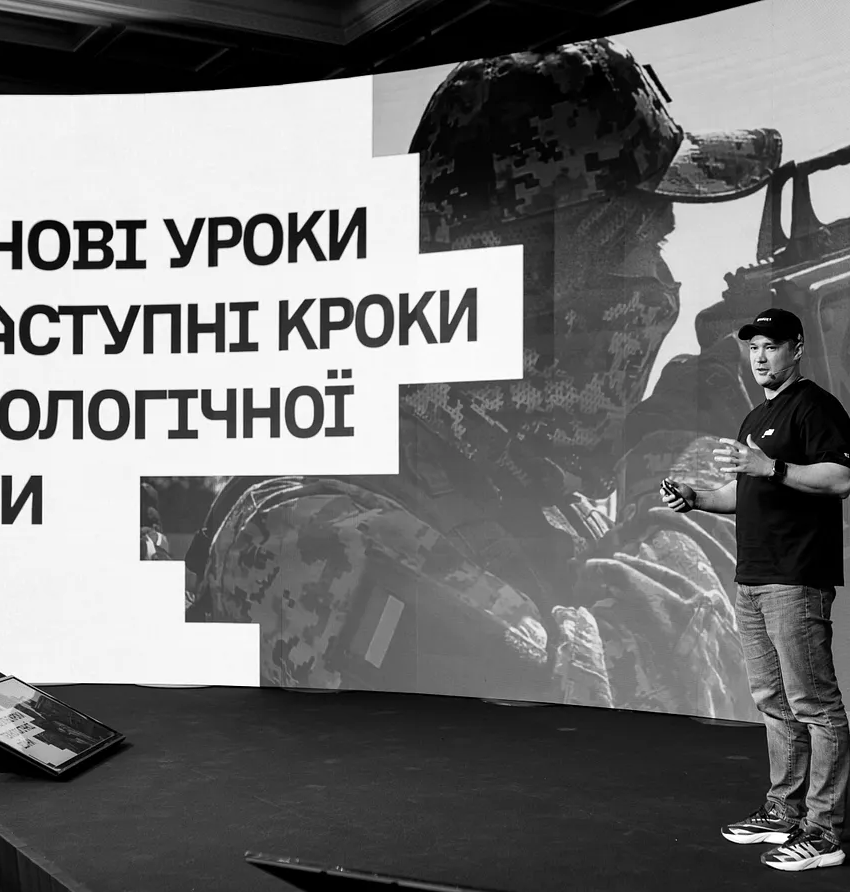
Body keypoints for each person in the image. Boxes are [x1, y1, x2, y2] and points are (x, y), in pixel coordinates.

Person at [185, 38, 782, 717]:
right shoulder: (302, 528)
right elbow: (581, 730)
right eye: (642, 245)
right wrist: (695, 474)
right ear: (523, 278)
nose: (662, 285)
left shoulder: (538, 490)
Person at [661, 307, 850, 871]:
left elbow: (842, 477)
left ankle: (823, 833)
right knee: (773, 701)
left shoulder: (816, 406)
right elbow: (743, 492)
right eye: (753, 347)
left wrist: (770, 467)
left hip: (796, 579)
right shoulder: (756, 417)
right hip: (752, 580)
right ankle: (783, 812)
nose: (760, 356)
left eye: (771, 346)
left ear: (797, 348)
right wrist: (698, 498)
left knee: (814, 705)